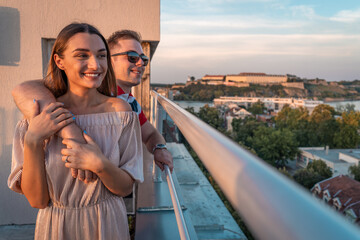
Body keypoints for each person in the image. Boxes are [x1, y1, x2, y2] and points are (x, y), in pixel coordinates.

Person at [8, 23, 143, 239]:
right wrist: (33, 140)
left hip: (108, 225)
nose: (95, 65)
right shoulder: (37, 117)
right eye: (82, 55)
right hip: (56, 227)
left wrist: (100, 164)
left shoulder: (121, 112)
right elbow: (38, 201)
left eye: (101, 56)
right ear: (59, 61)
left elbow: (125, 188)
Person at [11, 31, 173, 183]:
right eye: (132, 57)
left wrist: (160, 148)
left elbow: (150, 133)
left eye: (143, 59)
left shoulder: (129, 102)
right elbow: (24, 89)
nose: (141, 63)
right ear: (108, 60)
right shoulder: (89, 90)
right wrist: (72, 133)